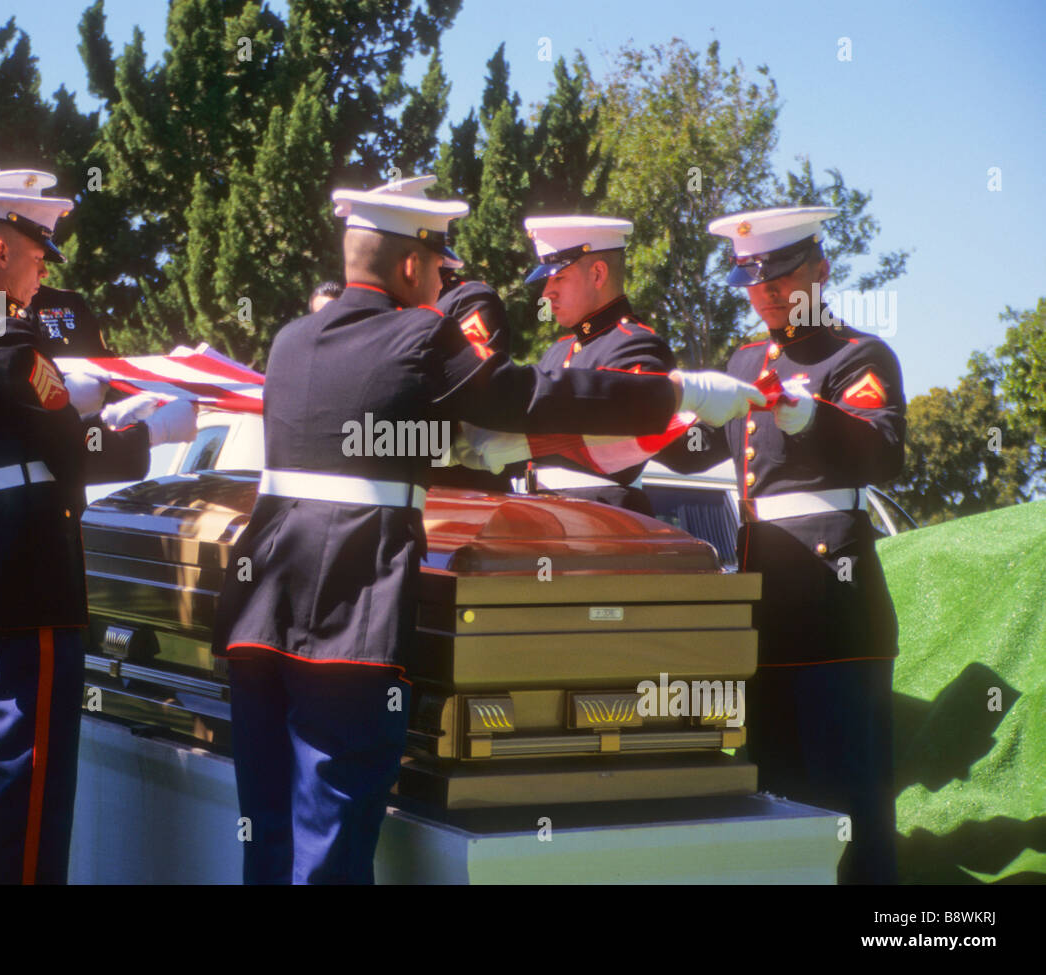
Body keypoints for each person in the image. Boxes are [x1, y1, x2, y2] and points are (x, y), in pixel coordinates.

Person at [211, 175, 766, 884]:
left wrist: (464, 444)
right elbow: (524, 394)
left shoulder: (290, 340)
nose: (445, 278)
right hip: (344, 634)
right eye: (439, 263)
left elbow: (362, 431)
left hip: (258, 625)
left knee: (270, 846)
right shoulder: (420, 330)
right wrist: (677, 391)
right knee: (328, 853)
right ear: (411, 264)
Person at [0, 182, 197, 883]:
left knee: (5, 774)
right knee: (32, 784)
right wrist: (158, 427)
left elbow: (26, 423)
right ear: (2, 248)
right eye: (39, 253)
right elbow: (75, 452)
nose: (45, 269)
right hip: (29, 578)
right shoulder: (8, 337)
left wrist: (84, 399)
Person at [656, 206, 905, 884]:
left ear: (820, 273)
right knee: (777, 804)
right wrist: (649, 413)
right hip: (765, 616)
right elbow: (689, 450)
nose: (763, 292)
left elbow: (881, 451)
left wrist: (808, 415)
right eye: (751, 280)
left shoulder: (857, 355)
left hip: (834, 610)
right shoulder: (744, 360)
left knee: (849, 809)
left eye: (779, 277)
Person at [521, 216, 677, 515]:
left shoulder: (637, 344)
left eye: (559, 278)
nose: (546, 293)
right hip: (546, 513)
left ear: (597, 274)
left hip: (600, 516)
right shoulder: (557, 352)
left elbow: (617, 450)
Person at [0, 169, 112, 357]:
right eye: (36, 258)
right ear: (2, 254)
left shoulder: (69, 304)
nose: (44, 272)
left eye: (42, 258)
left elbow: (102, 364)